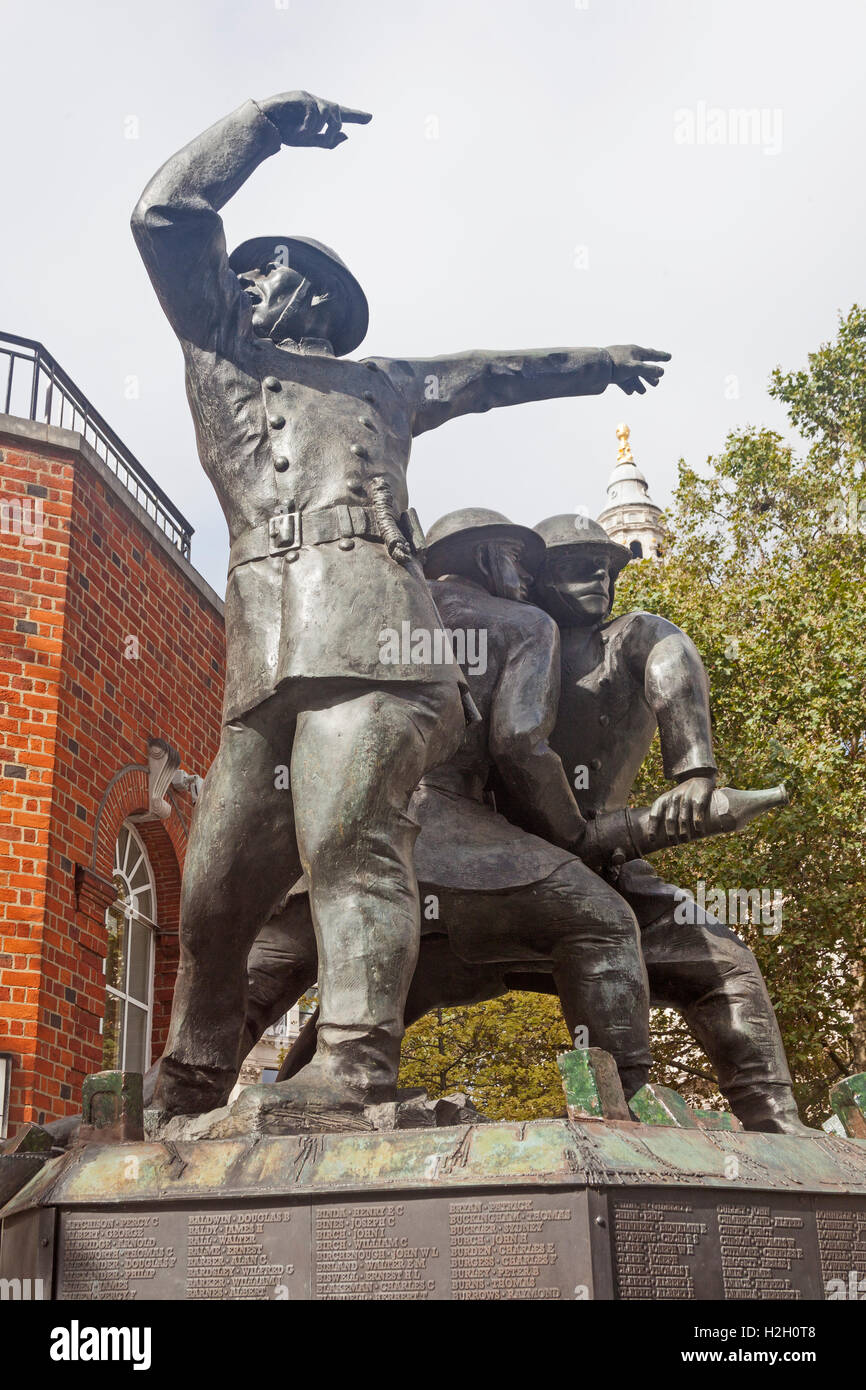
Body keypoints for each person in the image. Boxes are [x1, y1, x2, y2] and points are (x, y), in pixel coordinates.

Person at [132, 89, 670, 1118]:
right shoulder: (218, 356)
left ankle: (353, 1065)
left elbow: (492, 372)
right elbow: (164, 217)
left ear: (314, 301)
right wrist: (259, 126)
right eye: (239, 271)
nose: (244, 280)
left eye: (266, 271)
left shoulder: (382, 383)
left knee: (351, 844)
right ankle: (188, 1080)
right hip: (267, 659)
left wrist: (595, 366)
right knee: (214, 893)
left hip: (380, 644)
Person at [527, 515, 804, 1133]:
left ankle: (778, 1128)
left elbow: (668, 653)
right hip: (504, 861)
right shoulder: (507, 641)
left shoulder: (631, 636)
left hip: (608, 865)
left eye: (607, 567)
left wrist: (695, 771)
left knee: (723, 964)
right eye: (576, 567)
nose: (598, 578)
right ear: (534, 576)